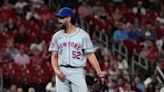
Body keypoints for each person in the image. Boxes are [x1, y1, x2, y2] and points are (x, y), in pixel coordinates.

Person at [48, 7, 104, 92]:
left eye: (61, 18)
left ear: (69, 18)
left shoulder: (83, 35)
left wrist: (99, 73)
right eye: (58, 17)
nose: (59, 20)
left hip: (77, 71)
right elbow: (54, 56)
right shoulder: (57, 36)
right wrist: (56, 71)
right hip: (62, 71)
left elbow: (91, 55)